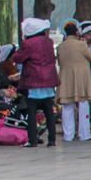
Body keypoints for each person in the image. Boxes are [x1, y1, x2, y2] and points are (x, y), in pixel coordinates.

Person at [11, 17, 60, 148]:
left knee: (31, 111)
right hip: (48, 79)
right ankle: (52, 140)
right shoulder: (48, 41)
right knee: (49, 111)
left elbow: (18, 58)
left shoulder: (28, 44)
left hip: (33, 80)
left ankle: (32, 140)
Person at [56, 21, 91, 142]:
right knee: (83, 105)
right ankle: (84, 134)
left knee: (67, 107)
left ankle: (68, 135)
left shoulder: (60, 46)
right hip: (81, 78)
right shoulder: (81, 45)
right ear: (76, 32)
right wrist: (89, 46)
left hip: (65, 78)